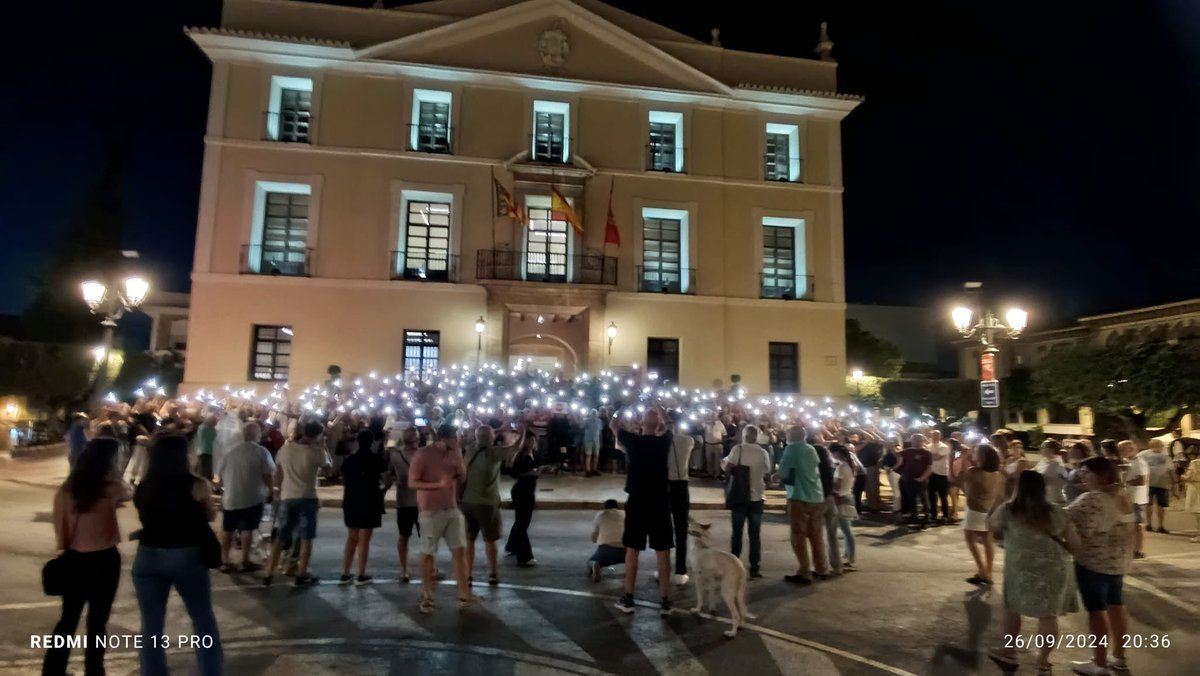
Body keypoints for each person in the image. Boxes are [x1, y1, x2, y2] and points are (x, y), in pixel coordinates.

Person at [132, 434, 224, 676]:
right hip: (186, 554)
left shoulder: (144, 486)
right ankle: (211, 670)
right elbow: (211, 516)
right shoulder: (196, 484)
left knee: (151, 624)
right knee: (201, 616)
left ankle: (152, 672)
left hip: (147, 554)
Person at [43, 438, 132, 676]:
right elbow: (128, 492)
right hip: (105, 561)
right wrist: (114, 474)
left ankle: (53, 669)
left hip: (75, 559)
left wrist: (65, 548)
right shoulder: (110, 487)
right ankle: (95, 669)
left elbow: (60, 526)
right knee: (98, 622)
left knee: (68, 619)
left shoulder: (67, 489)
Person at [987, 470, 1080, 673]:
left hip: (1019, 569)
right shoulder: (1057, 512)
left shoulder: (1008, 510)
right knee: (1048, 617)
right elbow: (1075, 544)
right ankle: (1043, 661)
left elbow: (994, 532)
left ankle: (1008, 651)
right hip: (1054, 569)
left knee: (1013, 610)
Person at [1066, 457, 1136, 676]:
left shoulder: (1093, 498)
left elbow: (1071, 524)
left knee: (1097, 611)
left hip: (1094, 562)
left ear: (1103, 474)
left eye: (1086, 472)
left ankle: (1099, 663)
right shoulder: (1122, 494)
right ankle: (1120, 657)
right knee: (1116, 605)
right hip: (1118, 561)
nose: (1081, 476)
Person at [611, 405, 674, 616]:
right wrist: (660, 407)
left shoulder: (633, 440)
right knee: (663, 550)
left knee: (632, 548)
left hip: (638, 498)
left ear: (641, 424)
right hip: (660, 499)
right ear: (657, 425)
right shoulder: (663, 441)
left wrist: (623, 408)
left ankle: (629, 597)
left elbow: (613, 424)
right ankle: (665, 600)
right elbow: (670, 424)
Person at [408, 424, 472, 613]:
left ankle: (464, 595)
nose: (458, 439)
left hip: (451, 508)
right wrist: (438, 484)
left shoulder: (456, 452)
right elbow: (412, 482)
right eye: (455, 436)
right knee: (428, 553)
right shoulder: (423, 454)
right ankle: (427, 594)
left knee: (459, 551)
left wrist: (459, 465)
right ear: (444, 438)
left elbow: (461, 477)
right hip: (430, 510)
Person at [263, 421, 331, 588]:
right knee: (307, 537)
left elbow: (277, 472)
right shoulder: (317, 452)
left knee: (281, 536)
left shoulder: (285, 449)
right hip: (308, 496)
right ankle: (301, 573)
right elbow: (329, 471)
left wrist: (277, 491)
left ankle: (269, 573)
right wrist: (324, 447)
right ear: (318, 435)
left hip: (288, 496)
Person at [462, 422, 525, 584]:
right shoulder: (494, 453)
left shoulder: (470, 450)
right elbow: (516, 447)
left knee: (469, 540)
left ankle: (467, 574)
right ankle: (493, 573)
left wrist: (494, 430)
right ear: (491, 439)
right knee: (490, 540)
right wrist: (523, 430)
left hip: (467, 501)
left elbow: (482, 436)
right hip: (486, 503)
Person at [216, 421, 275, 573]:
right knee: (248, 528)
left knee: (228, 529)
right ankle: (244, 560)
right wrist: (271, 492)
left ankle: (224, 560)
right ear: (257, 435)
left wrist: (223, 488)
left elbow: (219, 475)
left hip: (231, 496)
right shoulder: (261, 451)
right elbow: (268, 474)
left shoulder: (229, 451)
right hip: (253, 496)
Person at [777, 425, 826, 584]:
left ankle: (804, 571)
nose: (786, 436)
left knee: (798, 535)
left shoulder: (791, 449)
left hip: (799, 495)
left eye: (788, 434)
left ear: (793, 436)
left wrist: (776, 476)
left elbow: (784, 472)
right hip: (816, 495)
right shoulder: (811, 449)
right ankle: (821, 568)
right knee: (816, 535)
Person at [723, 425, 772, 579]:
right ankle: (755, 567)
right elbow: (767, 472)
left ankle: (734, 565)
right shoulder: (763, 452)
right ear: (756, 437)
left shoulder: (738, 449)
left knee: (737, 533)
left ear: (744, 435)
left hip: (739, 497)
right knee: (755, 535)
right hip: (757, 497)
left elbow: (728, 468)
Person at [340, 429, 388, 585]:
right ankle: (361, 573)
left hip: (352, 499)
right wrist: (383, 490)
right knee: (364, 539)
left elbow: (343, 478)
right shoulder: (376, 459)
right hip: (370, 500)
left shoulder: (350, 459)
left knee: (352, 537)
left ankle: (346, 573)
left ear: (357, 441)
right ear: (372, 442)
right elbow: (387, 480)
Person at [963, 444, 1004, 585]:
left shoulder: (973, 472)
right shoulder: (998, 474)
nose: (973, 453)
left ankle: (982, 570)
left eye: (976, 452)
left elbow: (963, 486)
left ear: (982, 456)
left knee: (970, 539)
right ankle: (989, 572)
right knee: (988, 541)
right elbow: (1000, 495)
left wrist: (963, 459)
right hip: (989, 510)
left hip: (974, 510)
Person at [504, 433, 545, 568]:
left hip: (530, 490)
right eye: (529, 441)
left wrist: (543, 470)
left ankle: (512, 546)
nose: (532, 443)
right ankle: (525, 556)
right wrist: (530, 473)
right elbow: (514, 474)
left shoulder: (535, 454)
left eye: (533, 440)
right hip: (521, 490)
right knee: (522, 524)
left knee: (523, 521)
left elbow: (537, 469)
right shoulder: (520, 456)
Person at [387, 427, 421, 582]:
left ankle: (404, 570)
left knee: (404, 536)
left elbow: (388, 476)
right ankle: (431, 568)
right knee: (426, 537)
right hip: (421, 500)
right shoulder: (423, 454)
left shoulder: (394, 454)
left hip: (404, 500)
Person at [667, 412, 694, 585]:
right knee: (681, 530)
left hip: (666, 486)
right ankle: (680, 570)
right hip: (682, 486)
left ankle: (664, 567)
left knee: (665, 529)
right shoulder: (688, 441)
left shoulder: (662, 441)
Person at [1117, 440, 1148, 559]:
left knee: (1138, 524)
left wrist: (1125, 482)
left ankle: (1139, 550)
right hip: (1128, 497)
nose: (1119, 452)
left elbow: (1142, 480)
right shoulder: (1127, 461)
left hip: (1137, 498)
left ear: (1129, 449)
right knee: (1129, 524)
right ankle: (1132, 548)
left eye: (1121, 449)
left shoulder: (1139, 462)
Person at [830, 444, 858, 570]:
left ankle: (849, 557)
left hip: (840, 498)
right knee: (847, 530)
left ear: (836, 453)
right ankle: (849, 556)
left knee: (841, 530)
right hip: (848, 496)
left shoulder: (841, 467)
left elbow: (837, 486)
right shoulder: (851, 466)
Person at [1138, 438, 1174, 533]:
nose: (1161, 447)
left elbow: (1171, 469)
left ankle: (1159, 525)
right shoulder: (1143, 455)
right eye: (1160, 445)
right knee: (1150, 505)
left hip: (1162, 483)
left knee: (1160, 505)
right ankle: (1150, 524)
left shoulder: (1165, 456)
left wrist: (1173, 482)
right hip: (1149, 483)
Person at [898, 434, 934, 526]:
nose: (917, 441)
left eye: (919, 439)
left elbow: (929, 468)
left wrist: (922, 478)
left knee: (924, 498)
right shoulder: (905, 452)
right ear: (911, 440)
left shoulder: (927, 453)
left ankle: (927, 517)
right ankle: (914, 516)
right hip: (908, 479)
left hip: (921, 480)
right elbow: (900, 463)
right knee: (911, 499)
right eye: (915, 439)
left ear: (922, 440)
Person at [588, 499, 626, 581]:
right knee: (629, 558)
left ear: (605, 507)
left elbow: (594, 538)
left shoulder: (600, 515)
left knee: (591, 561)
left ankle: (596, 564)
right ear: (617, 507)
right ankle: (629, 567)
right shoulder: (625, 514)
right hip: (625, 550)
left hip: (606, 549)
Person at [927, 430, 953, 522]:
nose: (935, 436)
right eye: (933, 435)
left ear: (940, 436)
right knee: (931, 495)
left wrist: (931, 455)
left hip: (942, 474)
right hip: (931, 473)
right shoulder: (928, 446)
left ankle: (945, 514)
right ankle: (933, 514)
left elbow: (936, 458)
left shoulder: (944, 447)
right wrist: (933, 455)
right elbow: (931, 457)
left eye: (937, 435)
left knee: (943, 496)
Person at [1035, 439, 1069, 506]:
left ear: (1052, 450)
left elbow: (1043, 479)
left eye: (1043, 447)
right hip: (1045, 497)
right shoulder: (1044, 460)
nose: (1040, 449)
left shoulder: (1056, 463)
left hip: (1055, 499)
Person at [856, 435, 884, 512]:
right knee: (869, 487)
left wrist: (871, 431)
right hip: (866, 466)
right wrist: (865, 438)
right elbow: (857, 449)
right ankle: (873, 505)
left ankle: (875, 505)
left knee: (874, 487)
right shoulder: (861, 443)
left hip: (873, 466)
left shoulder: (875, 443)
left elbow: (879, 440)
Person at [1182, 452, 1200, 543]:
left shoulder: (1195, 463)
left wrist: (1183, 476)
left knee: (1198, 514)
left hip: (1196, 488)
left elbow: (1189, 476)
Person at [196, 413, 218, 482]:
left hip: (202, 451)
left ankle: (203, 484)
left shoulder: (201, 427)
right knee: (207, 470)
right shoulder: (213, 430)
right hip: (208, 452)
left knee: (203, 470)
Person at [582, 409, 603, 477]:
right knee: (589, 455)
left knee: (596, 455)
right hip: (588, 440)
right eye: (593, 413)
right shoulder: (586, 421)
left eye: (595, 413)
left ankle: (594, 469)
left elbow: (600, 432)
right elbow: (582, 427)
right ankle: (588, 470)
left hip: (596, 440)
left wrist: (600, 441)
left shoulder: (599, 421)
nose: (594, 414)